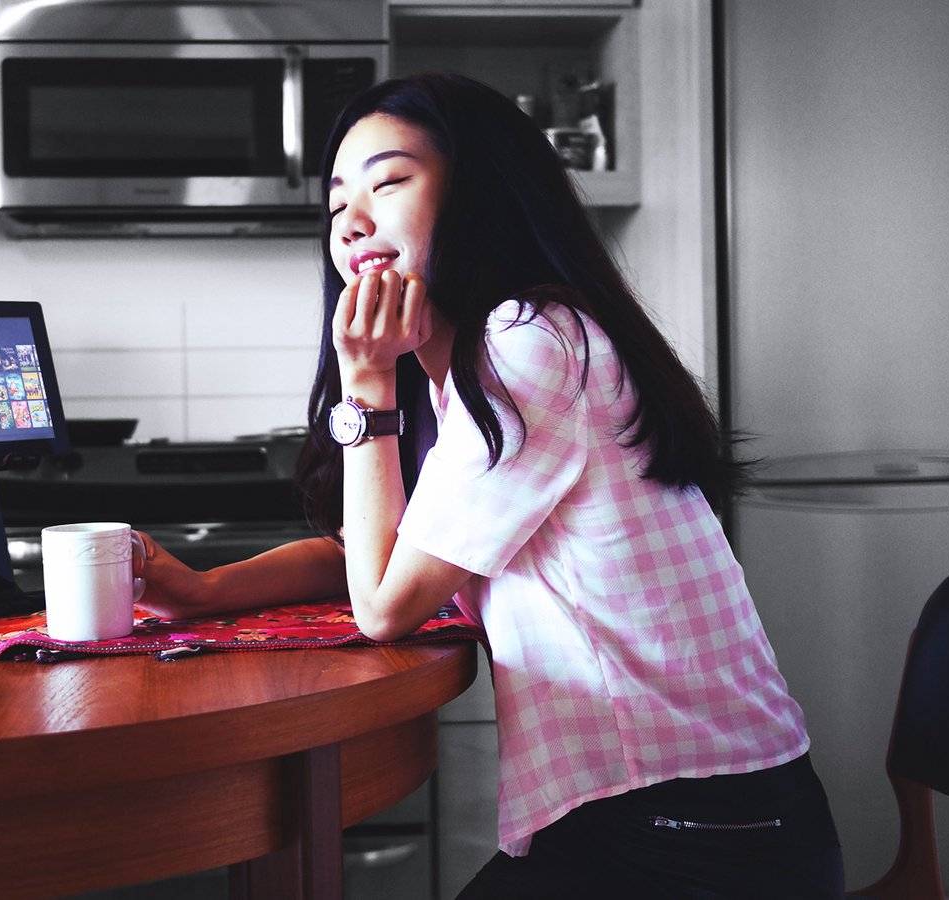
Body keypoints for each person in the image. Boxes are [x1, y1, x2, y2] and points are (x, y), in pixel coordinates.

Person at [134, 71, 843, 898]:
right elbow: (377, 553)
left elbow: (384, 604)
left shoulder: (534, 343)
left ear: (481, 195)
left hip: (703, 833)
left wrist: (367, 384)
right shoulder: (469, 372)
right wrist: (203, 588)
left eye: (389, 182)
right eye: (334, 207)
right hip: (659, 815)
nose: (352, 222)